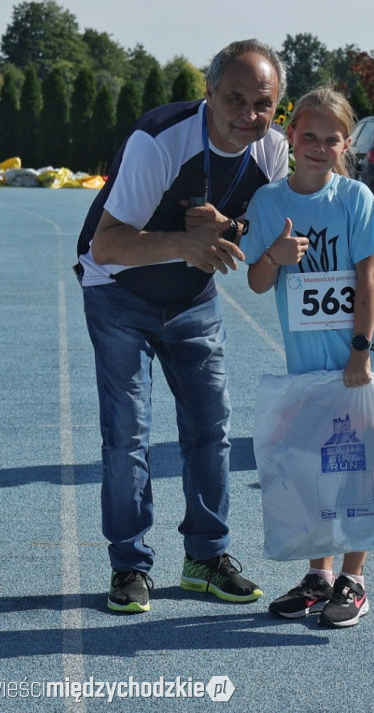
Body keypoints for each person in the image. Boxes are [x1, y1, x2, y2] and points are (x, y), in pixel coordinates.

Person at [75, 39, 289, 613]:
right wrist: (187, 244)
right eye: (235, 100)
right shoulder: (158, 142)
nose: (248, 116)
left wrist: (233, 229)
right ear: (209, 93)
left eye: (261, 104)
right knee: (128, 436)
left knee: (211, 429)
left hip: (193, 300)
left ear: (276, 107)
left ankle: (207, 557)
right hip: (119, 293)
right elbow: (107, 242)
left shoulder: (273, 151)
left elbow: (255, 227)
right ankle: (129, 564)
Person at [240, 87, 374, 628]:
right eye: (308, 135)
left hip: (361, 349)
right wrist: (273, 255)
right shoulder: (268, 203)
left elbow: (369, 277)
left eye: (331, 139)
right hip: (307, 358)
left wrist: (361, 351)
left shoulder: (355, 198)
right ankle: (319, 577)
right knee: (314, 461)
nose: (318, 146)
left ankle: (354, 580)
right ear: (291, 135)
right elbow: (259, 283)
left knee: (359, 466)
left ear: (345, 144)